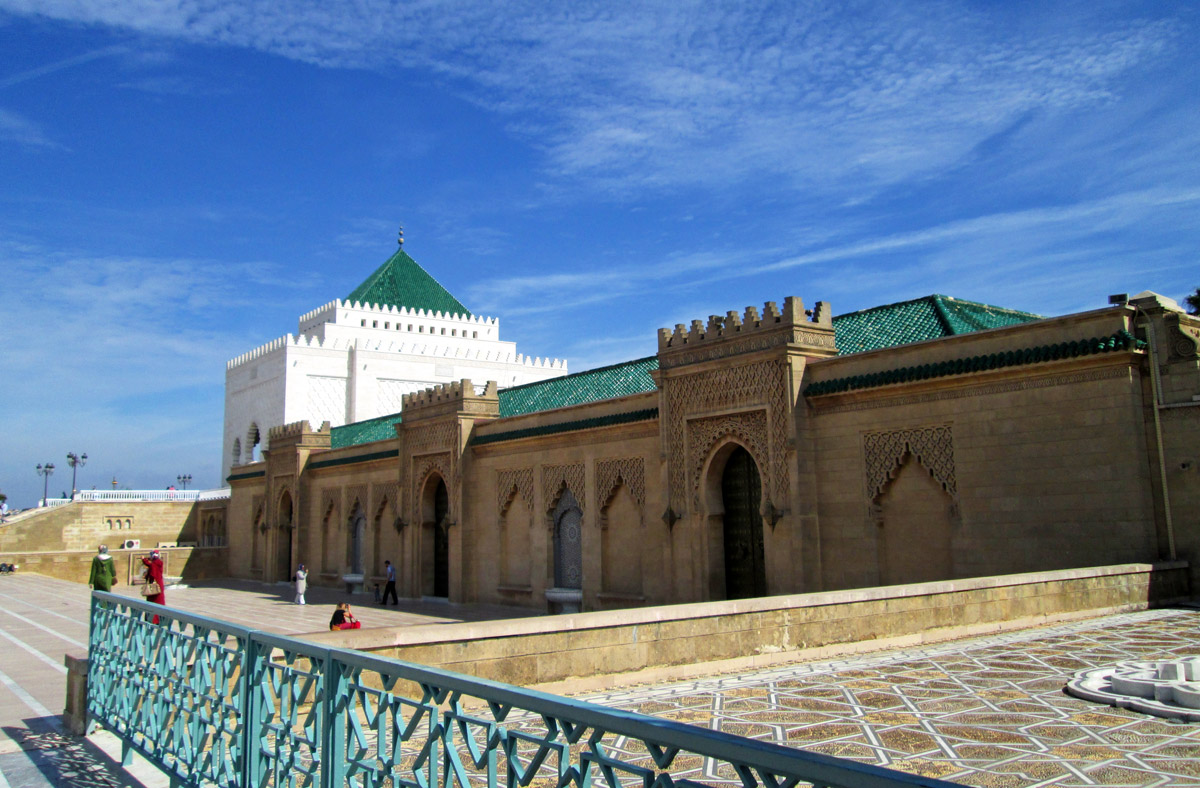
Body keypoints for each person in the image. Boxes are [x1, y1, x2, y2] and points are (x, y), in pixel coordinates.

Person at [141, 550, 166, 623]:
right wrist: (144, 560)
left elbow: (152, 574)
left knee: (153, 603)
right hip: (159, 585)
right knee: (160, 602)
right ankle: (160, 618)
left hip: (154, 587)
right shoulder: (158, 563)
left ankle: (154, 619)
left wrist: (147, 575)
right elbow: (151, 565)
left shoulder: (154, 564)